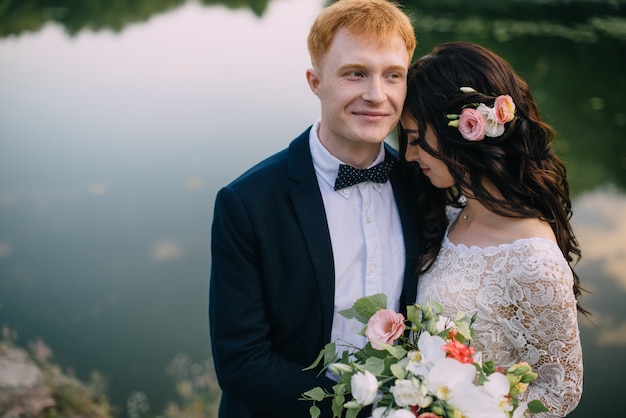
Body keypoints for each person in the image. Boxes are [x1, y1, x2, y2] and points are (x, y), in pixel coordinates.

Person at [209, 1, 419, 417]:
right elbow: (242, 364)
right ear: (315, 81)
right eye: (355, 73)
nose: (377, 95)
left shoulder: (423, 186)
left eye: (392, 75)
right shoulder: (247, 203)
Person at [399, 41, 585, 417]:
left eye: (417, 140)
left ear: (464, 130)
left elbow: (560, 390)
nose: (408, 155)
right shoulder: (454, 212)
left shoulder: (535, 262)